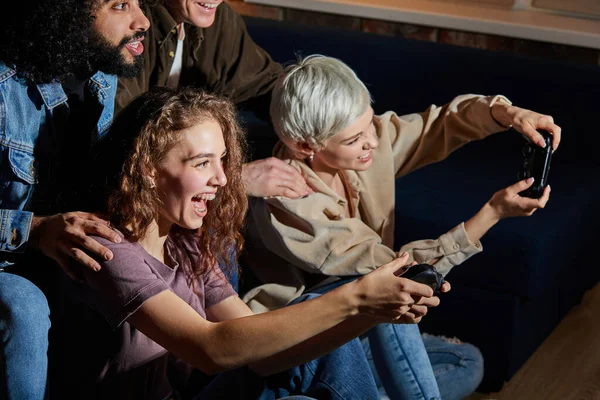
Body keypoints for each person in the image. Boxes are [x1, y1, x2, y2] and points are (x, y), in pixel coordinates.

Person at [56, 86, 443, 399]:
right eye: (202, 163)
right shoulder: (108, 250)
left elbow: (264, 354)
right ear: (148, 170)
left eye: (223, 161)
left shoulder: (186, 244)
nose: (223, 179)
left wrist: (372, 312)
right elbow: (211, 348)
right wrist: (354, 298)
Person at [241, 55, 561, 399]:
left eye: (369, 124)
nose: (373, 142)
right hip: (301, 347)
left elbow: (439, 126)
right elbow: (398, 269)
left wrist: (505, 113)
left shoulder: (365, 144)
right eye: (354, 139)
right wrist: (492, 213)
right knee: (382, 288)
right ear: (305, 146)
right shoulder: (287, 202)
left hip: (356, 333)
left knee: (468, 363)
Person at [0, 1, 151, 398]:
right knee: (25, 307)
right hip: (9, 259)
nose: (143, 21)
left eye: (140, 2)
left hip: (61, 253)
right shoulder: (3, 86)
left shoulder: (101, 70)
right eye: (120, 5)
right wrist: (34, 230)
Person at [116, 0, 313, 200]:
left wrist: (324, 129)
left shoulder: (216, 19)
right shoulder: (127, 23)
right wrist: (233, 177)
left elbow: (269, 88)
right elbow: (119, 151)